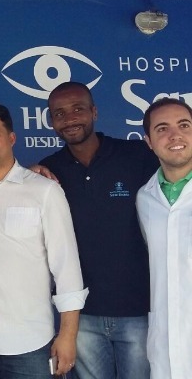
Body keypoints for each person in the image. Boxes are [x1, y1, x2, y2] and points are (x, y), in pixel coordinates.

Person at [0, 102, 87, 379]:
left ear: (11, 138)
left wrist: (68, 336)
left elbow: (66, 267)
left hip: (28, 341)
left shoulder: (44, 191)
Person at [38, 82, 157, 379]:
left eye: (78, 109)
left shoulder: (137, 155)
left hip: (138, 310)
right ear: (51, 121)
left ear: (94, 112)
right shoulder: (48, 171)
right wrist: (29, 173)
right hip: (81, 316)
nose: (70, 118)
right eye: (59, 113)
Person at [136, 97, 192, 379]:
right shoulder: (145, 198)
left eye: (184, 125)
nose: (175, 135)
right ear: (149, 141)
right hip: (166, 342)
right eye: (162, 128)